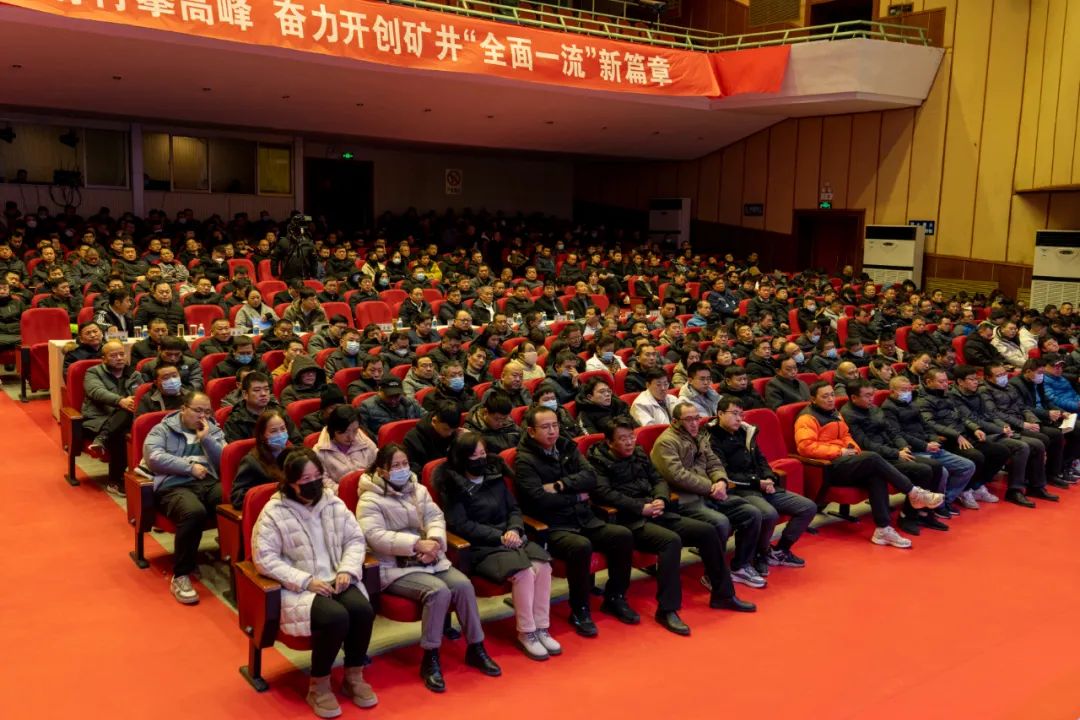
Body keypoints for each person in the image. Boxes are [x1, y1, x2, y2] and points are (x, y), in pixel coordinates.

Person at [357, 444, 500, 693]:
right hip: (394, 566)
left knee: (463, 585)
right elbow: (375, 536)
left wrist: (434, 541)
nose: (402, 469)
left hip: (430, 557)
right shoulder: (369, 498)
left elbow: (435, 517)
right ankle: (430, 657)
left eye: (405, 464)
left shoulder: (418, 489)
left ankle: (476, 647)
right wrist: (415, 544)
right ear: (381, 471)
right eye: (396, 466)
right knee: (438, 592)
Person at [591, 417, 751, 634]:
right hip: (629, 520)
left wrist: (660, 499)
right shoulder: (597, 461)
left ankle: (723, 594)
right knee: (671, 541)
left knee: (707, 531)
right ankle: (667, 609)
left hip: (657, 511)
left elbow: (658, 480)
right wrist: (641, 507)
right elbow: (604, 494)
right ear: (610, 442)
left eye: (631, 437)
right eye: (623, 439)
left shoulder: (638, 453)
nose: (629, 442)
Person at [252, 447, 377, 716]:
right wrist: (305, 581)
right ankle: (318, 685)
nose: (313, 484)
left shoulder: (333, 502)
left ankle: (354, 676)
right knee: (335, 618)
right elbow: (264, 559)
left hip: (336, 576)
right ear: (290, 482)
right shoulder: (274, 512)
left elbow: (355, 539)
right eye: (305, 480)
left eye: (317, 477)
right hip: (298, 588)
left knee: (362, 610)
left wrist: (347, 569)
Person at [514, 406, 639, 637]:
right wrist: (575, 496)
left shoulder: (566, 446)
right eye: (545, 427)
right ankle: (580, 610)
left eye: (555, 425)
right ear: (531, 431)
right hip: (553, 525)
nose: (552, 431)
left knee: (622, 536)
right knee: (580, 546)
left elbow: (590, 477)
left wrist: (560, 485)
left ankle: (615, 597)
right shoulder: (524, 460)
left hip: (584, 518)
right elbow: (539, 499)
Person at [436, 433, 559, 659]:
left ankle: (542, 627)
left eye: (483, 453)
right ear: (462, 458)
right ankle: (527, 632)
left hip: (511, 538)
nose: (481, 459)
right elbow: (461, 525)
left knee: (543, 566)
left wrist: (514, 529)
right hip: (482, 547)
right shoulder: (453, 486)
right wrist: (500, 536)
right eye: (474, 456)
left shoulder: (494, 476)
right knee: (524, 572)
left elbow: (514, 509)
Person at [795, 381, 943, 548]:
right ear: (813, 399)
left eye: (832, 395)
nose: (830, 399)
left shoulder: (834, 413)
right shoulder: (807, 418)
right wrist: (840, 451)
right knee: (872, 457)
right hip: (829, 467)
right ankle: (914, 492)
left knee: (876, 475)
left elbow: (846, 436)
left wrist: (852, 448)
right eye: (825, 396)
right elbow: (806, 447)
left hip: (847, 461)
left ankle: (883, 529)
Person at [651, 402, 767, 589]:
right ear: (675, 421)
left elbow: (714, 463)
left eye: (697, 418)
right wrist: (711, 487)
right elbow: (678, 476)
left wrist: (721, 481)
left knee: (752, 513)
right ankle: (712, 575)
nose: (694, 423)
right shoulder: (666, 442)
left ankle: (740, 565)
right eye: (688, 419)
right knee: (720, 522)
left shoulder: (700, 437)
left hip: (710, 494)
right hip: (686, 500)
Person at [709, 395, 817, 567]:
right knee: (769, 514)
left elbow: (761, 460)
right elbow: (724, 472)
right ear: (720, 414)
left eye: (741, 414)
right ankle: (760, 553)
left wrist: (768, 478)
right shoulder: (711, 438)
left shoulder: (746, 431)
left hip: (761, 485)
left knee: (808, 507)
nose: (739, 418)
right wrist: (757, 482)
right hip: (739, 490)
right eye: (734, 413)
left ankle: (781, 550)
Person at [142, 391, 225, 604]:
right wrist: (188, 468)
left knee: (231, 501)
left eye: (207, 412)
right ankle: (181, 575)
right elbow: (153, 457)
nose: (203, 416)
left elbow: (225, 460)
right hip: (173, 484)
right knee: (193, 512)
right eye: (198, 411)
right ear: (183, 409)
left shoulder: (213, 429)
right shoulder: (162, 429)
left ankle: (235, 559)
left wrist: (207, 439)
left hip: (207, 482)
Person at [841, 380, 949, 535]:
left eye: (872, 395)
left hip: (893, 451)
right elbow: (865, 444)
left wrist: (902, 446)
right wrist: (896, 453)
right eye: (867, 396)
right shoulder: (849, 415)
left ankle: (924, 513)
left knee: (936, 466)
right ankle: (907, 516)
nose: (871, 398)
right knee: (923, 470)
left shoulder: (874, 408)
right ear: (854, 397)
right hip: (878, 458)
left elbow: (891, 430)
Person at [950, 364, 1052, 507]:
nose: (976, 382)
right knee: (1021, 447)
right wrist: (1000, 429)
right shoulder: (955, 397)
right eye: (971, 379)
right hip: (977, 434)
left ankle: (1037, 486)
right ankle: (1014, 491)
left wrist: (1004, 426)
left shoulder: (977, 393)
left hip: (992, 430)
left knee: (1038, 444)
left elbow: (990, 415)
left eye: (976, 379)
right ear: (960, 382)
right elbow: (974, 420)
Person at [882, 376, 976, 520]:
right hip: (914, 449)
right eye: (903, 390)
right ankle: (938, 506)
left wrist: (933, 439)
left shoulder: (912, 404)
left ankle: (944, 500)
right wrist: (925, 445)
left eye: (909, 389)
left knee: (967, 466)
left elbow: (927, 425)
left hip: (930, 445)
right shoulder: (888, 409)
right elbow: (899, 435)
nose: (907, 392)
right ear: (892, 391)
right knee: (942, 472)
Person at [982, 361, 1071, 489]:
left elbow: (1022, 407)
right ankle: (1032, 480)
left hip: (1021, 421)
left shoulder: (1009, 386)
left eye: (1004, 373)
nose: (1003, 377)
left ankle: (1051, 474)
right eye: (998, 375)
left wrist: (1034, 421)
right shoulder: (985, 391)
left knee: (1056, 434)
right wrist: (1023, 424)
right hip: (1008, 425)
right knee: (1041, 440)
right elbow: (995, 413)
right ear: (988, 377)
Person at [82, 340, 142, 495]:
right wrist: (120, 401)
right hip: (99, 420)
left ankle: (103, 438)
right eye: (114, 355)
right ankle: (115, 481)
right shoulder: (93, 372)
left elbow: (141, 395)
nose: (119, 358)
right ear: (104, 359)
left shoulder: (134, 374)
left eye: (122, 354)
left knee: (128, 412)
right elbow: (95, 391)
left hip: (126, 420)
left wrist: (129, 402)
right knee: (121, 435)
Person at [230, 409, 290, 509]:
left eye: (283, 429)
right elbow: (237, 498)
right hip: (269, 510)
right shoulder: (251, 461)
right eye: (274, 431)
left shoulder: (293, 454)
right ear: (262, 435)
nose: (280, 434)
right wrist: (267, 494)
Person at [312, 405, 378, 493]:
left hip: (370, 490)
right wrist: (345, 492)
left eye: (355, 430)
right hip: (341, 495)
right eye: (345, 431)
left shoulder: (363, 440)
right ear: (333, 430)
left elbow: (378, 463)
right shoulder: (319, 451)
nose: (351, 437)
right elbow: (323, 481)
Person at [223, 371, 301, 444]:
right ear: (245, 394)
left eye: (266, 389)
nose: (263, 394)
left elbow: (297, 441)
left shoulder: (279, 411)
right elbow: (238, 451)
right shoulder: (235, 422)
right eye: (257, 390)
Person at [402, 400, 462, 475]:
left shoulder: (456, 434)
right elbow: (414, 472)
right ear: (434, 421)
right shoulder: (412, 440)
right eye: (446, 429)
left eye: (453, 430)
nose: (450, 433)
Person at [463, 390, 521, 454]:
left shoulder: (508, 422)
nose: (501, 423)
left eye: (504, 419)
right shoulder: (471, 432)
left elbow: (522, 437)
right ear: (485, 412)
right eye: (497, 419)